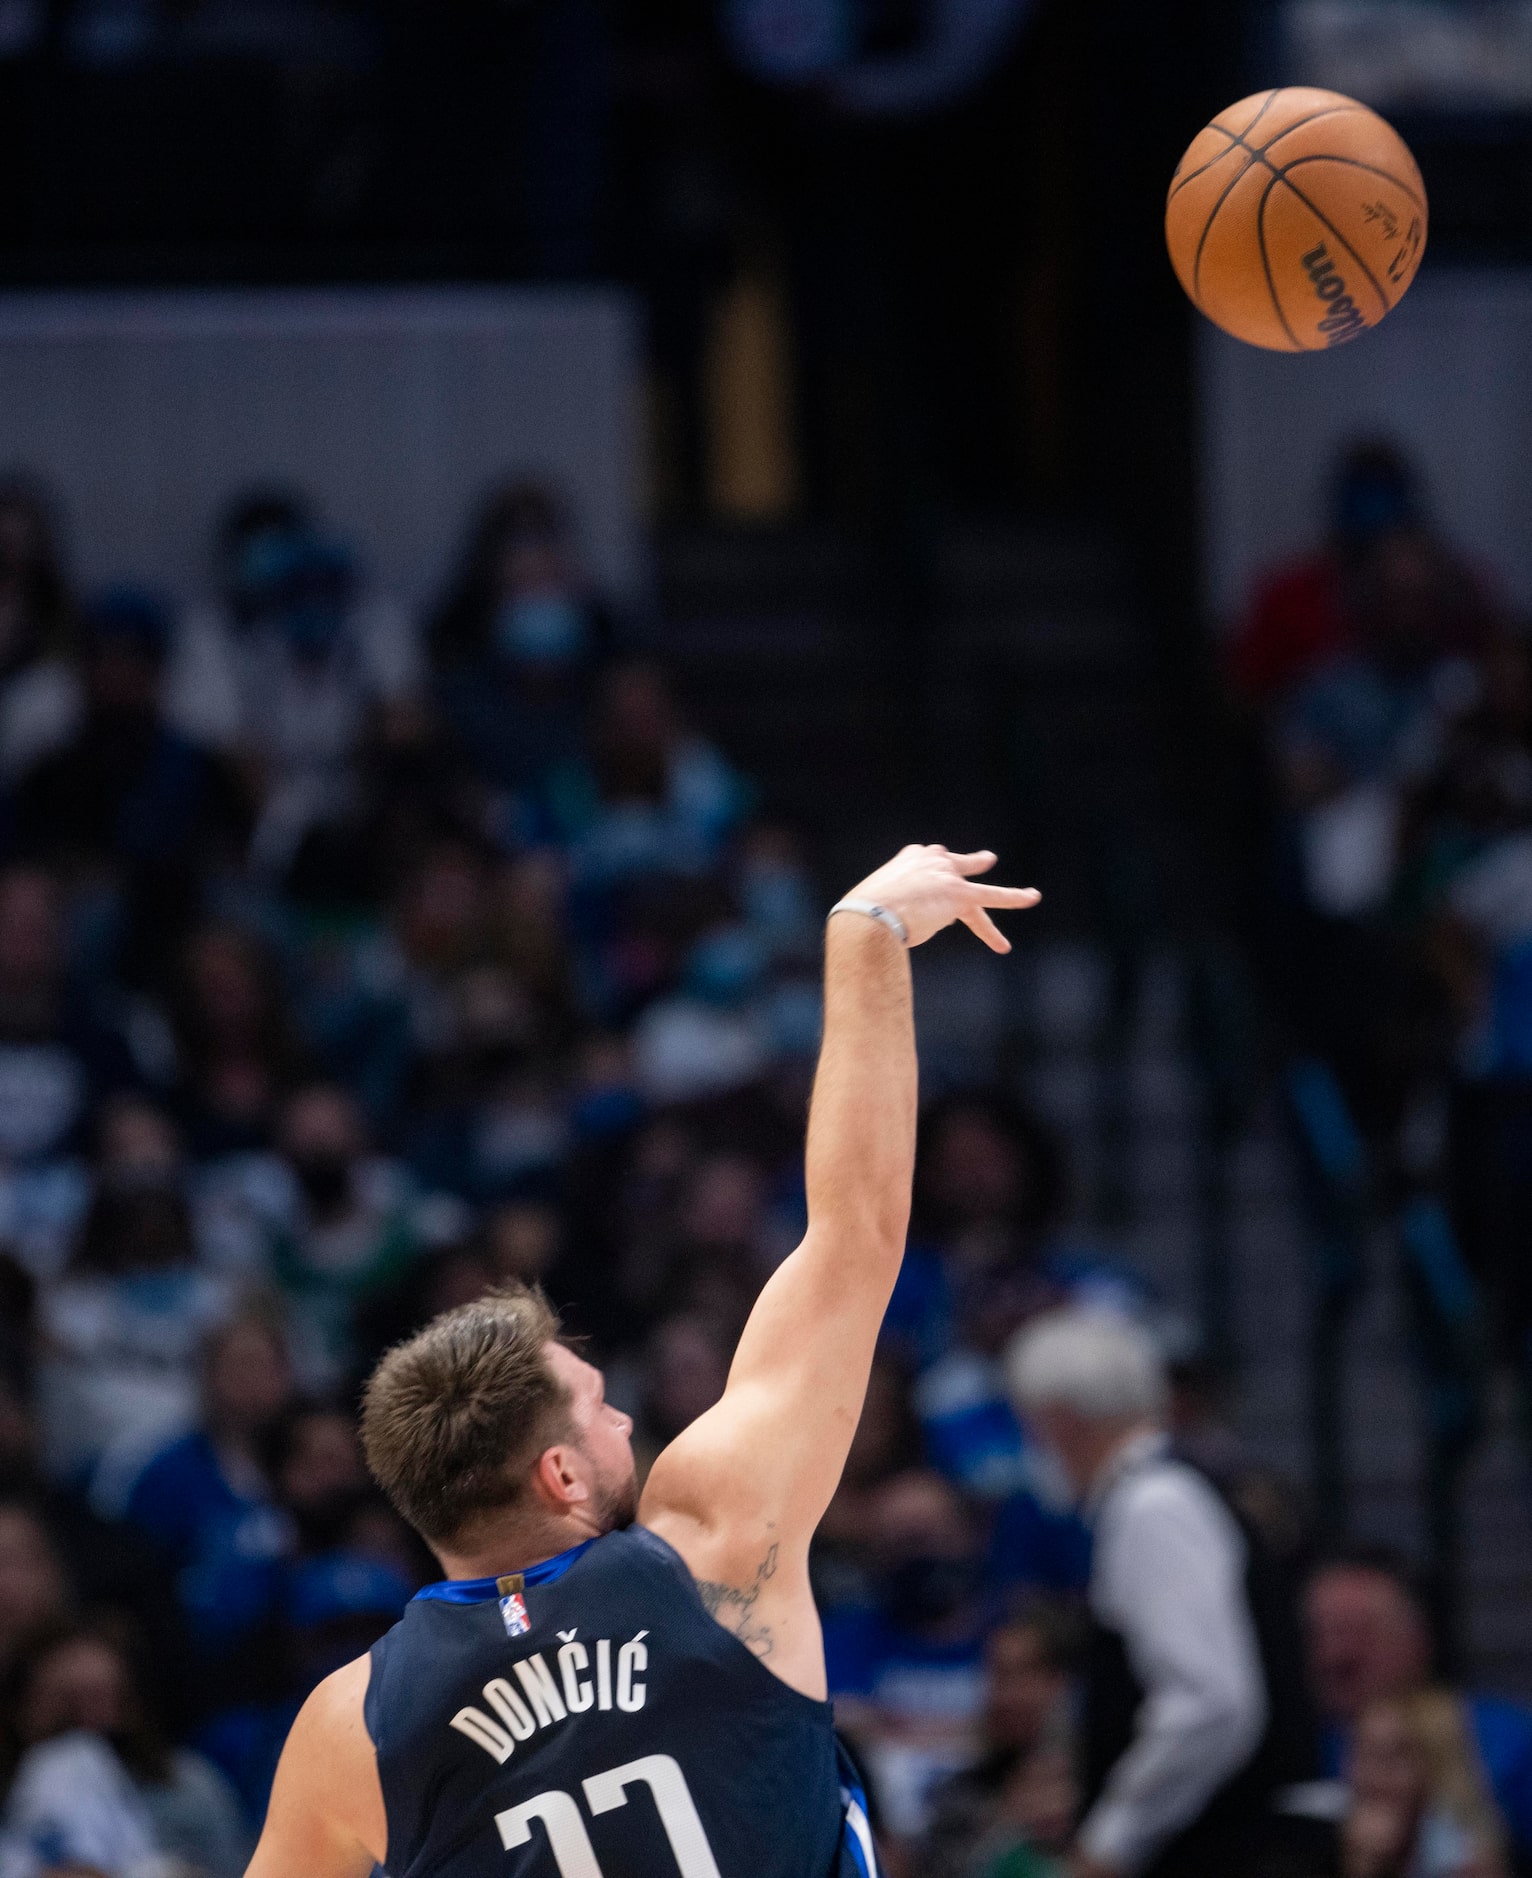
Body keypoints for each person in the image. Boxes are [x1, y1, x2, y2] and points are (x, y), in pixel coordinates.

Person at [242, 841, 1040, 1877]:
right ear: (560, 1474)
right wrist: (866, 938)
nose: (624, 1421)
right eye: (596, 1406)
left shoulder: (353, 1727)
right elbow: (855, 1237)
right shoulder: (709, 1543)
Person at [1006, 1307, 1315, 1878]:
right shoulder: (1166, 1492)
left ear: (1063, 1420)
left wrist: (1110, 1842)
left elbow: (1208, 1703)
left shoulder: (1154, 1506)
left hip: (1232, 1853)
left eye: (1032, 1426)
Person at [1305, 1553, 1532, 1864]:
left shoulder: (1506, 1742)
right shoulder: (1281, 1753)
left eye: (1359, 1631)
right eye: (1320, 1633)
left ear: (1420, 1636)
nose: (1335, 1655)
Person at [1341, 1690, 1508, 1878]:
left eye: (1394, 1757)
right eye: (1364, 1754)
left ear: (1436, 1767)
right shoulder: (1322, 1830)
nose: (1374, 1775)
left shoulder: (1465, 1860)